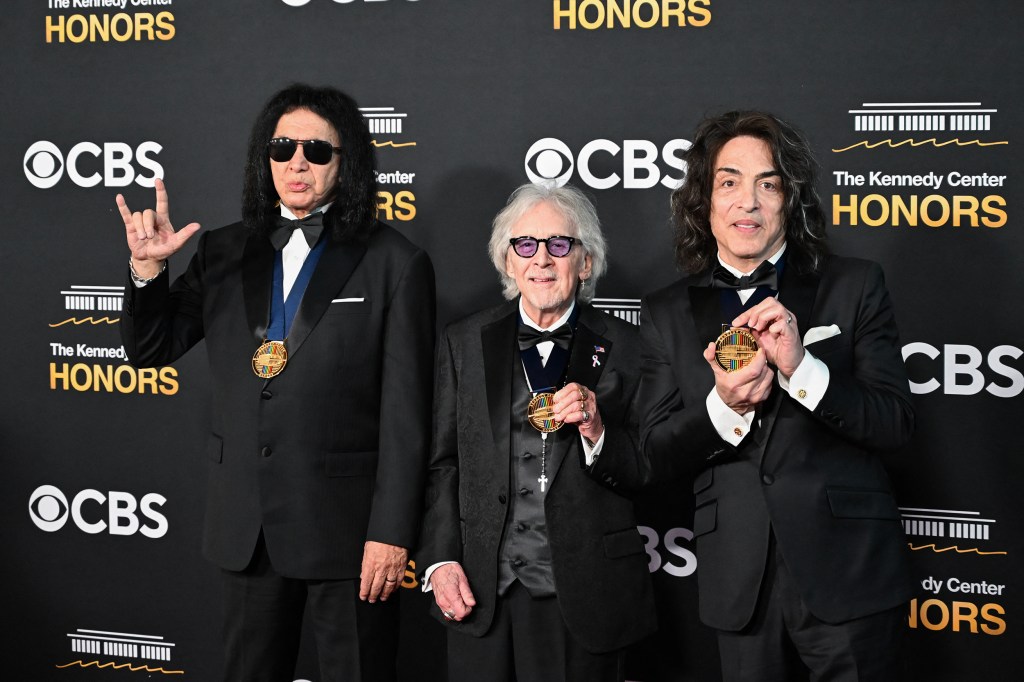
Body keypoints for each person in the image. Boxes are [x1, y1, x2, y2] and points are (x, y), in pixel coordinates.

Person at [115, 84, 435, 682]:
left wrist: (391, 533)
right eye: (282, 147)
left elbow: (407, 414)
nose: (297, 163)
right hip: (247, 527)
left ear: (347, 162)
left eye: (317, 150)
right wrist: (147, 268)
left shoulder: (395, 261)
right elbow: (150, 350)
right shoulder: (220, 249)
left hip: (348, 534)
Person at [638, 111, 915, 681]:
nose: (749, 202)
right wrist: (723, 407)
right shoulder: (665, 312)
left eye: (768, 184)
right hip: (738, 583)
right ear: (703, 200)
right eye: (729, 182)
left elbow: (895, 424)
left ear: (790, 199)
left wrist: (802, 368)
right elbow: (653, 452)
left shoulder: (855, 284)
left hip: (850, 573)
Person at [416, 183, 656, 682]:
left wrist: (596, 429)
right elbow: (443, 463)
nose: (541, 258)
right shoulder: (463, 341)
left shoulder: (632, 346)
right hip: (481, 592)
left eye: (559, 244)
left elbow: (652, 466)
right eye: (525, 245)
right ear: (508, 261)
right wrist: (440, 562)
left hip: (588, 596)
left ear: (585, 262)